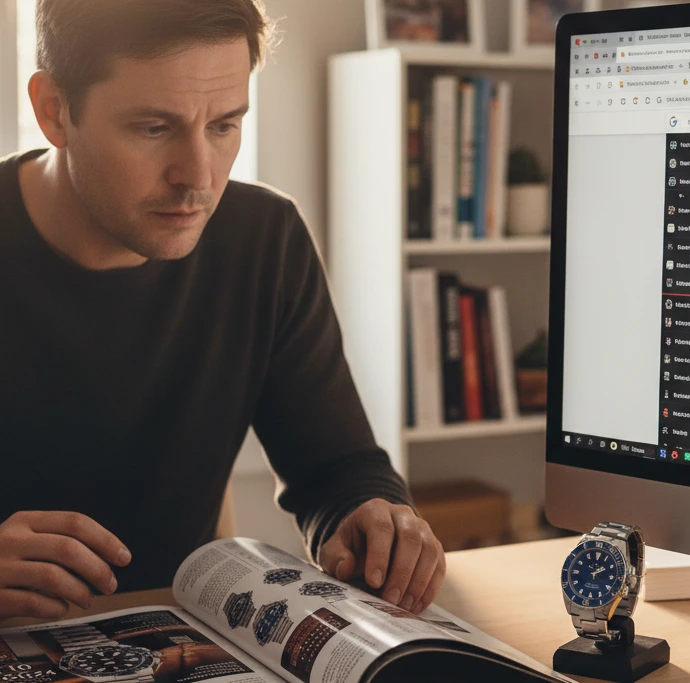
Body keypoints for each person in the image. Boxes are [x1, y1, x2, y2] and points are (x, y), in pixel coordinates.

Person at [0, 0, 443, 620]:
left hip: (187, 638)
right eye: (153, 128)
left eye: (224, 125)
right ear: (54, 110)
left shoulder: (263, 238)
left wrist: (369, 516)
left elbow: (335, 468)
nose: (198, 178)